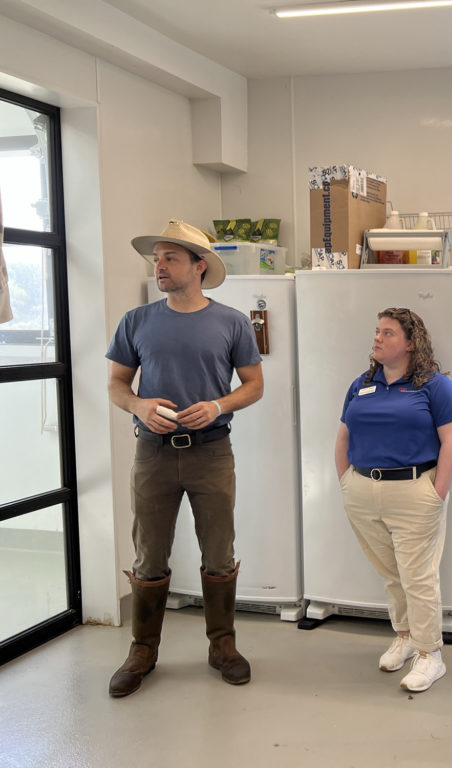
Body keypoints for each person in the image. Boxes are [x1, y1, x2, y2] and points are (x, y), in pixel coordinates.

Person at [106, 220, 264, 698]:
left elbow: (254, 385)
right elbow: (116, 384)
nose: (159, 266)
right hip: (151, 454)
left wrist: (218, 405)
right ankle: (142, 651)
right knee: (149, 554)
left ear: (199, 267)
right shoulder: (136, 321)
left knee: (219, 550)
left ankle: (223, 646)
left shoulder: (232, 321)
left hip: (212, 452)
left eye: (170, 258)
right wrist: (138, 405)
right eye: (157, 258)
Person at [334, 307, 452, 693]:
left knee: (418, 576)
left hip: (413, 490)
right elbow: (343, 436)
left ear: (410, 343)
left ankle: (430, 654)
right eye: (377, 331)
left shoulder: (434, 386)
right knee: (391, 573)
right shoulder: (362, 383)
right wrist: (345, 481)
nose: (377, 338)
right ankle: (405, 636)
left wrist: (435, 492)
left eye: (388, 333)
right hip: (362, 489)